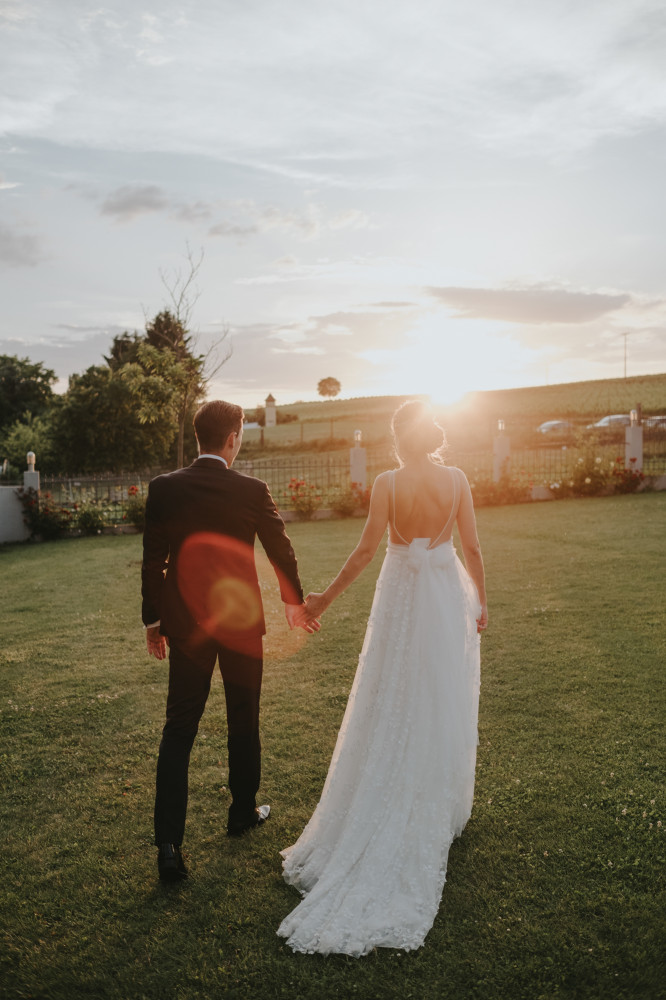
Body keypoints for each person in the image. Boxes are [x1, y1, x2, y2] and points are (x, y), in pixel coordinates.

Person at [277, 400, 487, 955]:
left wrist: (323, 596)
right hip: (443, 596)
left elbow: (367, 550)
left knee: (391, 694)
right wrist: (481, 602)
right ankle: (432, 796)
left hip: (400, 597)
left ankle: (392, 787)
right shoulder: (458, 479)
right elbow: (471, 546)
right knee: (438, 693)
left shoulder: (389, 483)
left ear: (397, 438)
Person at [142, 399, 319, 882]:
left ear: (199, 436)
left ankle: (169, 848)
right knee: (244, 718)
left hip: (185, 626)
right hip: (241, 625)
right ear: (234, 437)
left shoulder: (164, 488)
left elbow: (153, 559)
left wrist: (153, 623)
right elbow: (281, 547)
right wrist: (293, 603)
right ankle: (241, 812)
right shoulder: (251, 489)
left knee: (178, 729)